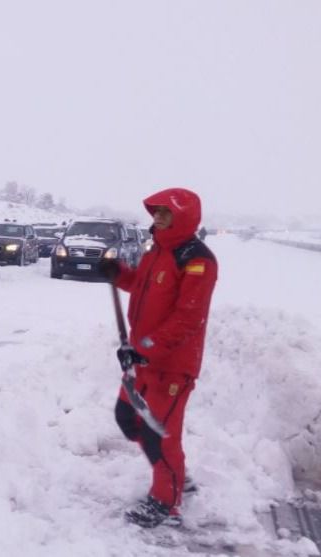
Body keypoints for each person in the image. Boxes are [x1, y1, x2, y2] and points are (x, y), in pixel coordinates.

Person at [98, 187, 217, 528]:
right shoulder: (157, 250)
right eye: (156, 212)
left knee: (158, 434)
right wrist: (118, 273)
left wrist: (146, 346)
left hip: (171, 366)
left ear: (184, 215)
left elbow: (188, 317)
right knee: (127, 418)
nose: (158, 217)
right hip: (141, 359)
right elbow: (140, 285)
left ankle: (167, 501)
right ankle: (175, 471)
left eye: (165, 212)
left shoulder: (197, 259)